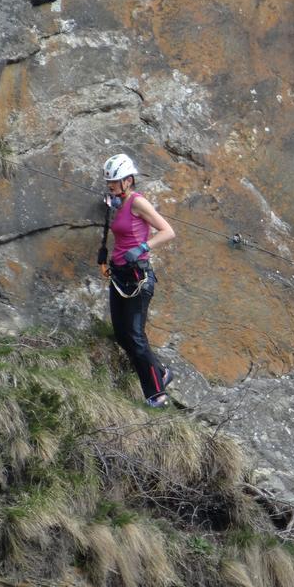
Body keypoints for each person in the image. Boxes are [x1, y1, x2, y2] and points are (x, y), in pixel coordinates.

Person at [100, 153, 176, 408]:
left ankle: (156, 394)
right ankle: (161, 373)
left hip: (138, 276)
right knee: (122, 334)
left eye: (116, 181)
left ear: (129, 180)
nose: (110, 185)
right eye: (109, 181)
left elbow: (168, 231)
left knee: (134, 334)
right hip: (119, 274)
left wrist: (143, 246)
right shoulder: (117, 202)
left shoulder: (138, 202)